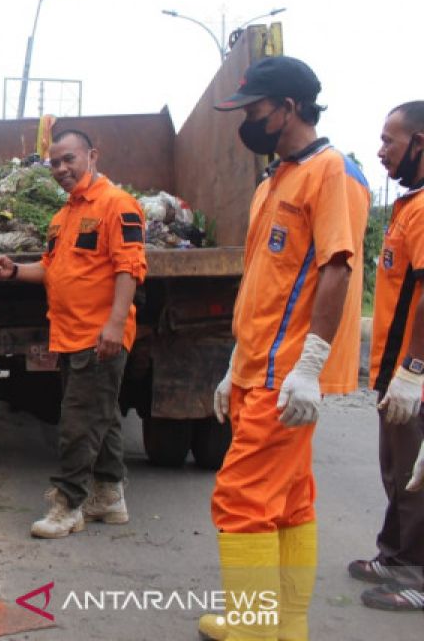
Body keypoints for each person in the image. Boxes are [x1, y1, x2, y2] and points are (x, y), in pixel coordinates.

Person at [199, 57, 369, 639]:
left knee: (242, 499)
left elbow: (338, 270)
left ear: (288, 108)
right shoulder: (276, 179)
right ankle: (284, 625)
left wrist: (309, 368)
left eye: (255, 110)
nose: (247, 121)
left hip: (285, 372)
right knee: (290, 500)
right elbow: (265, 283)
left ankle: (253, 629)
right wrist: (233, 365)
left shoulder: (331, 172)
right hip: (258, 367)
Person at [0, 129, 146, 539]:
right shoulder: (63, 217)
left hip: (98, 334)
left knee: (76, 422)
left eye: (68, 159)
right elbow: (51, 269)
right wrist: (14, 270)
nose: (61, 169)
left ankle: (68, 505)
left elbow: (130, 268)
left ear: (92, 154)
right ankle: (109, 496)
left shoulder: (117, 205)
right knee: (99, 417)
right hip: (68, 334)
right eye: (54, 163)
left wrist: (113, 324)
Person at [351, 101, 424, 611]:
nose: (381, 151)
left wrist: (414, 370)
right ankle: (395, 555)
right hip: (393, 369)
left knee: (415, 474)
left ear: (420, 142)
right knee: (397, 469)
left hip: (412, 372)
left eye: (389, 140)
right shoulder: (409, 205)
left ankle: (417, 576)